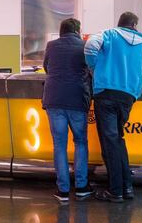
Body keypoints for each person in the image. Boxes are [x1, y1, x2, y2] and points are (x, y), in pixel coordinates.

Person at [84, 12, 142, 202]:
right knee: (118, 140)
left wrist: (93, 67)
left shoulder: (108, 34)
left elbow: (89, 46)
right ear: (134, 25)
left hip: (106, 92)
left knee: (110, 142)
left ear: (119, 23)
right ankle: (126, 187)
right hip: (128, 95)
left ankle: (115, 191)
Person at [42, 18, 94, 202]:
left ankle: (63, 190)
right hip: (77, 99)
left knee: (59, 144)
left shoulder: (51, 45)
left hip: (54, 99)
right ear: (78, 30)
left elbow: (46, 67)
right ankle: (81, 186)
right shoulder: (85, 45)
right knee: (80, 141)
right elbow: (91, 69)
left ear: (61, 30)